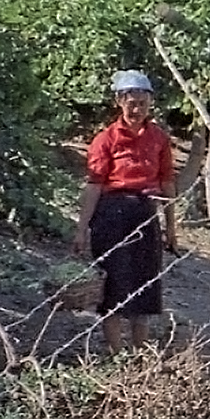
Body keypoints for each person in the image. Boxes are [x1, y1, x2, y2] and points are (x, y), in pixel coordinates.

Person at [73, 70, 177, 355]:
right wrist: (82, 228)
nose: (137, 109)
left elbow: (167, 182)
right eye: (131, 102)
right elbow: (94, 185)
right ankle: (117, 352)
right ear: (119, 101)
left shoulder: (158, 139)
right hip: (111, 215)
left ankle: (140, 351)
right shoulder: (105, 139)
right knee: (115, 283)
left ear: (150, 104)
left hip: (145, 211)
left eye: (143, 103)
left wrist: (171, 227)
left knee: (145, 283)